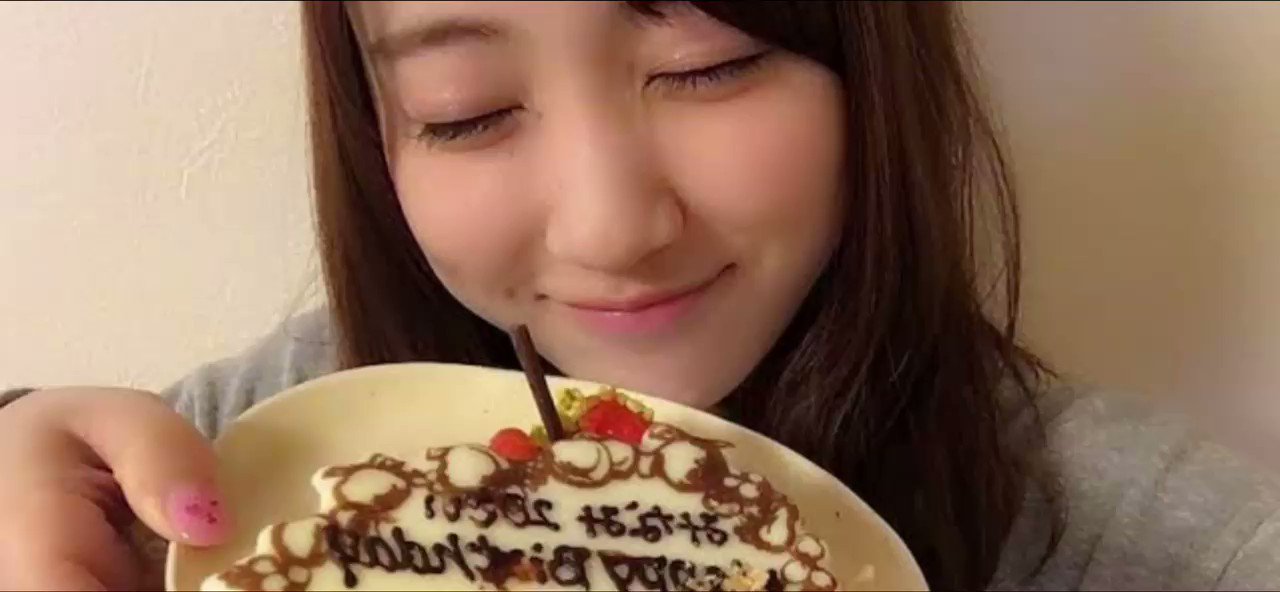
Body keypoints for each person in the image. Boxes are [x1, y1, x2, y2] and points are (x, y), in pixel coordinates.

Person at [2, 2, 1278, 590]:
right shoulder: (273, 444)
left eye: (709, 65)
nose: (610, 226)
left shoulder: (1153, 541)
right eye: (466, 111)